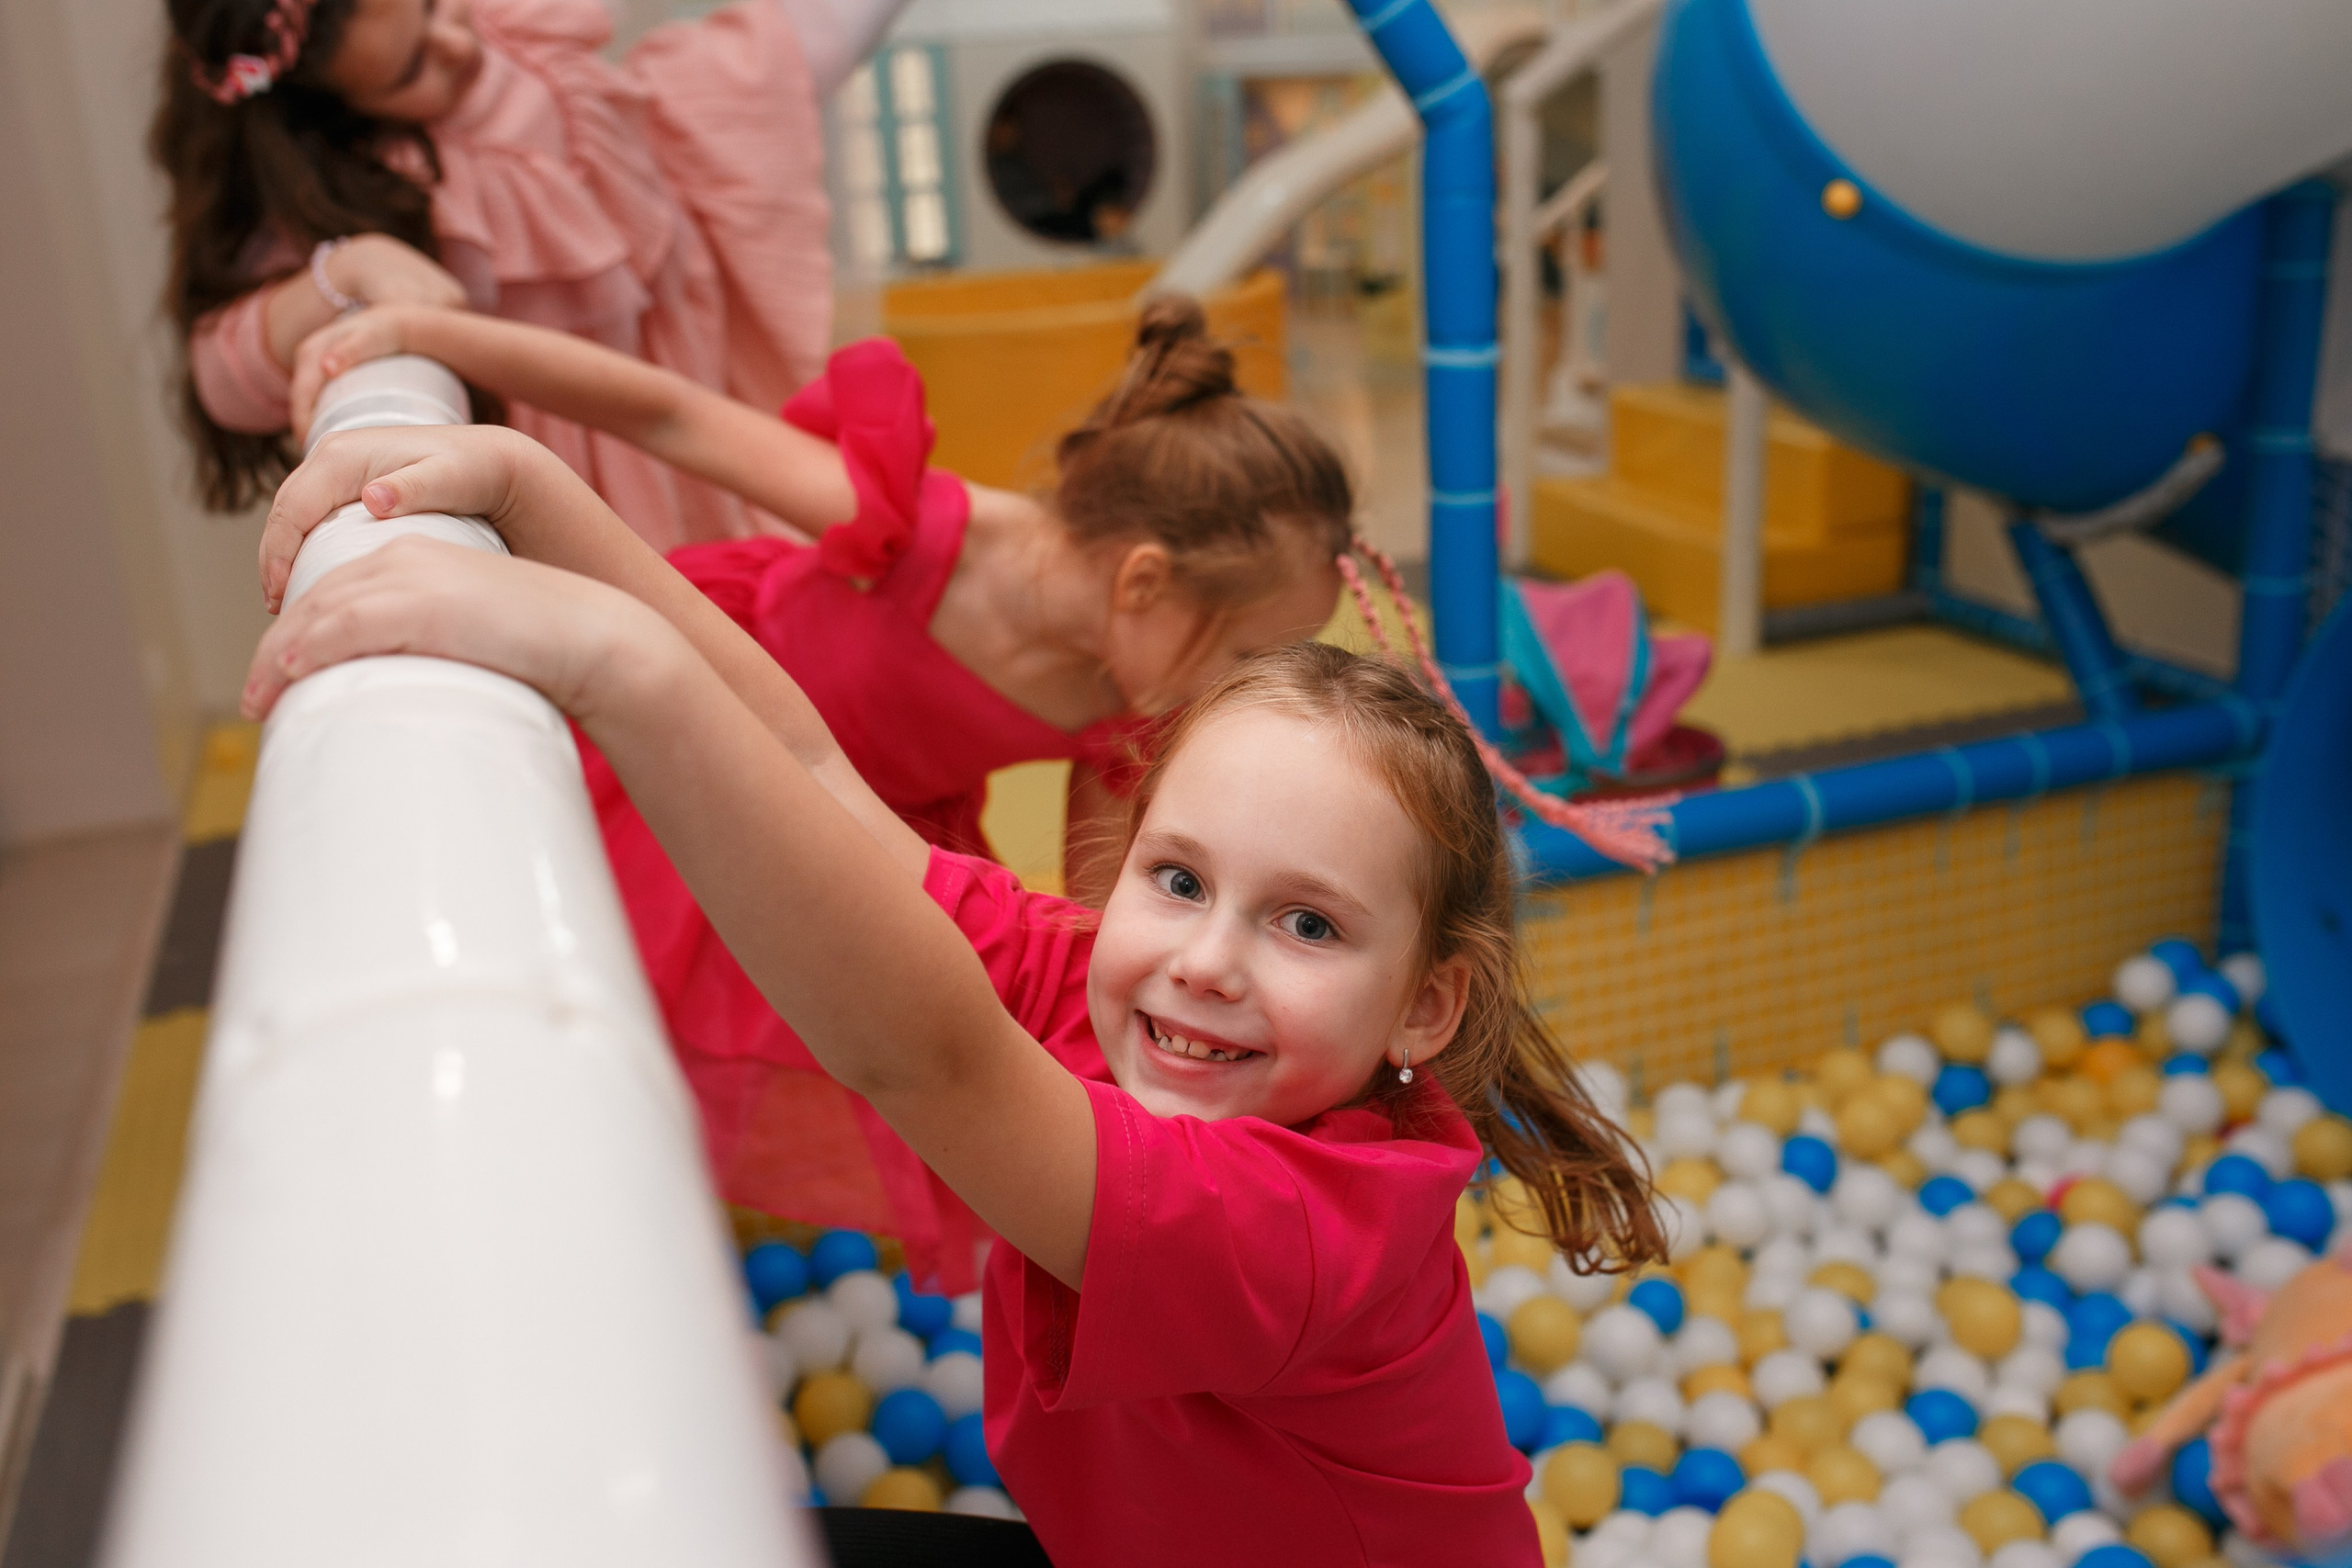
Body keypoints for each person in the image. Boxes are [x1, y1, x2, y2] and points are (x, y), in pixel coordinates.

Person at [242, 416, 1668, 1564]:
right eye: (1178, 877)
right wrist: (532, 492)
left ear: (1425, 1006)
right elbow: (818, 773)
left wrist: (611, 668)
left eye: (1307, 921)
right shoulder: (1115, 990)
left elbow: (928, 1057)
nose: (1207, 958)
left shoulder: (1304, 1227)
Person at [280, 296, 1361, 1279]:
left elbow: (1090, 931)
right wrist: (428, 335)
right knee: (581, 972)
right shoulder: (925, 533)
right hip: (693, 726)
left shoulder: (1127, 703)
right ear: (1146, 583)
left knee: (878, 1026)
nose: (1237, 689)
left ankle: (652, 1230)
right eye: (1241, 654)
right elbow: (669, 415)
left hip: (846, 832)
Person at [156, 0, 905, 546]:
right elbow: (220, 379)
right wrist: (346, 266)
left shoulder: (514, 30)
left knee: (746, 68)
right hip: (593, 476)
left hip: (690, 360)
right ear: (346, 111)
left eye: (435, 3)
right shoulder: (376, 184)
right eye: (409, 70)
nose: (456, 44)